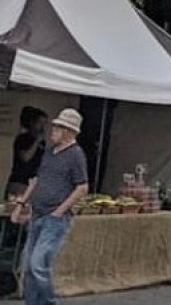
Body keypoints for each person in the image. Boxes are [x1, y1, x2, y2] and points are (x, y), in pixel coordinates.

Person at [12, 108, 89, 305]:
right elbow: (37, 180)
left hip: (54, 218)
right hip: (37, 214)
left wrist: (59, 211)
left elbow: (82, 187)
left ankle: (48, 302)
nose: (52, 130)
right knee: (28, 266)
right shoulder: (49, 152)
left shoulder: (75, 155)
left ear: (68, 132)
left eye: (57, 127)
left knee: (38, 264)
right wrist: (22, 203)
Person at [6, 107, 47, 199]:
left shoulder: (42, 142)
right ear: (32, 123)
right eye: (40, 123)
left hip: (32, 183)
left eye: (44, 124)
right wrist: (36, 142)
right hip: (19, 182)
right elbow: (25, 157)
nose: (42, 127)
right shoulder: (23, 139)